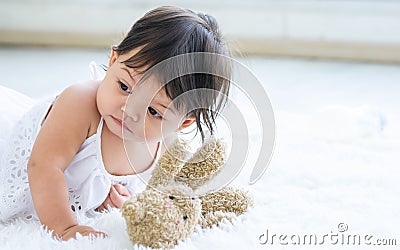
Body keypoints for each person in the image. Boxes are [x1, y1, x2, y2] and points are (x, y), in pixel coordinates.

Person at [0, 6, 231, 240]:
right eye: (124, 87)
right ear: (113, 60)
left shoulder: (164, 146)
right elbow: (44, 166)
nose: (129, 111)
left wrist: (114, 199)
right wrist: (65, 227)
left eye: (152, 111)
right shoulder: (80, 103)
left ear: (183, 124)